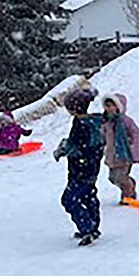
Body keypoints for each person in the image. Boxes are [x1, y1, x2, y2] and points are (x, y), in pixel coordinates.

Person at [54, 87, 105, 246]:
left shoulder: (80, 123)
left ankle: (87, 228)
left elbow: (78, 147)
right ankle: (93, 226)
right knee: (88, 196)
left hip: (80, 170)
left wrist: (63, 149)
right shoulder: (94, 122)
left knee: (69, 199)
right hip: (91, 169)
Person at [102, 93, 139, 203]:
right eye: (107, 106)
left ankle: (128, 196)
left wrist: (135, 152)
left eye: (112, 106)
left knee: (121, 177)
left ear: (118, 107)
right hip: (112, 155)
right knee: (113, 178)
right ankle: (130, 184)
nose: (109, 109)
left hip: (124, 154)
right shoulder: (106, 122)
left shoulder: (125, 121)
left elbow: (138, 135)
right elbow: (103, 136)